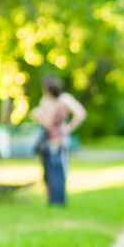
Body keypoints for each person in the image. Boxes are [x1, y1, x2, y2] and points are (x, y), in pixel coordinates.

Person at [30, 75, 86, 206]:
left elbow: (79, 114)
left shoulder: (61, 99)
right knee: (49, 170)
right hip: (49, 139)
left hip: (56, 139)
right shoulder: (50, 100)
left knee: (57, 169)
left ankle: (57, 201)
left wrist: (67, 128)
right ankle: (53, 200)